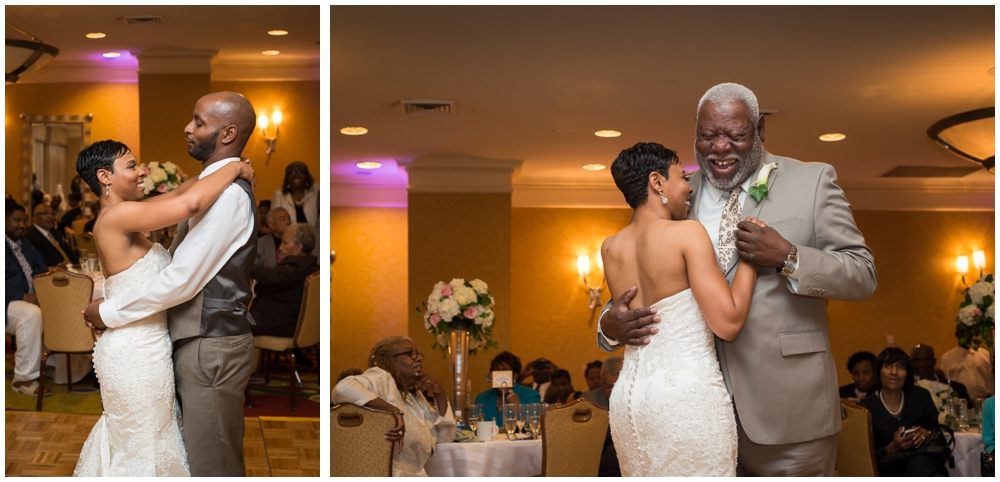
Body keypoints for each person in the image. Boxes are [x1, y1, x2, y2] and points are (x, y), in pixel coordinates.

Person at [597, 83, 877, 476]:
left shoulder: (812, 181)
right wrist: (609, 324)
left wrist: (788, 256)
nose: (720, 148)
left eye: (735, 135)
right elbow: (643, 277)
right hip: (695, 414)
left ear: (760, 129)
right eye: (708, 136)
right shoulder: (676, 192)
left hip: (788, 414)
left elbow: (863, 273)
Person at [81, 91, 261, 477]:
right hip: (138, 349)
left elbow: (186, 196)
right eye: (132, 166)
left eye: (198, 122)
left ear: (227, 132)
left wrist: (230, 169)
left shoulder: (220, 196)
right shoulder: (120, 216)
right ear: (105, 177)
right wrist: (234, 168)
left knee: (191, 454)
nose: (187, 127)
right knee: (151, 447)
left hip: (173, 344)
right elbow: (187, 204)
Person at [599, 141, 764, 476]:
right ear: (657, 182)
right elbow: (728, 323)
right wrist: (751, 261)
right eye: (681, 176)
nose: (689, 186)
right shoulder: (687, 233)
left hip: (630, 400)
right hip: (686, 398)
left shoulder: (611, 247)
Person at [332, 336, 456, 477]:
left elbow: (445, 440)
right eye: (410, 354)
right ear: (389, 360)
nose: (418, 358)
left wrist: (439, 394)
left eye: (418, 353)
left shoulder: (414, 395)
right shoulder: (382, 377)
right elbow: (343, 388)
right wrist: (393, 411)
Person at [859, 348, 947, 477]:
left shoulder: (921, 397)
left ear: (907, 373)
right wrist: (891, 448)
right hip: (887, 470)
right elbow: (863, 455)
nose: (894, 372)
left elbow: (939, 435)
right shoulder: (867, 408)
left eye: (900, 367)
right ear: (878, 372)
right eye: (888, 366)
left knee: (919, 464)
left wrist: (926, 433)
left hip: (922, 464)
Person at [5, 200, 50, 397]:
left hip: (26, 298)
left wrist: (45, 283)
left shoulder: (24, 243)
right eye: (16, 220)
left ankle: (51, 364)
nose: (22, 225)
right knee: (30, 315)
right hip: (7, 300)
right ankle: (24, 378)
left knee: (58, 305)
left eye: (24, 221)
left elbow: (39, 270)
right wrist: (25, 296)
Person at [249, 223, 319, 338]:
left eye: (285, 243)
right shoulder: (311, 266)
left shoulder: (296, 267)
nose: (280, 248)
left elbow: (272, 275)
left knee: (228, 322)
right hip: (287, 320)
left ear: (298, 247)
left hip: (281, 323)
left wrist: (244, 263)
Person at [473, 351, 541, 422]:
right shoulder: (482, 398)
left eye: (504, 370)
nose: (499, 374)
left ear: (514, 376)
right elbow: (472, 428)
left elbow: (531, 421)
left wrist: (507, 392)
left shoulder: (530, 395)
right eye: (497, 370)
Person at [272, 161, 319, 256]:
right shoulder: (279, 195)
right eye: (292, 173)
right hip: (290, 243)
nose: (296, 176)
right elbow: (275, 220)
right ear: (287, 177)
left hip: (314, 241)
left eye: (300, 172)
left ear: (306, 175)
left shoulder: (317, 191)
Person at [939, 326, 994, 399]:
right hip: (959, 402)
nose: (966, 335)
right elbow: (943, 383)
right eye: (963, 331)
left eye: (968, 332)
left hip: (985, 399)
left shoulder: (985, 354)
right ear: (957, 334)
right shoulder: (947, 358)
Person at [26, 202, 79, 268]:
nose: (50, 216)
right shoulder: (30, 235)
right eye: (45, 213)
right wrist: (59, 266)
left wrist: (78, 266)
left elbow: (69, 252)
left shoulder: (55, 232)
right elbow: (41, 261)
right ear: (35, 217)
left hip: (73, 270)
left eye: (52, 213)